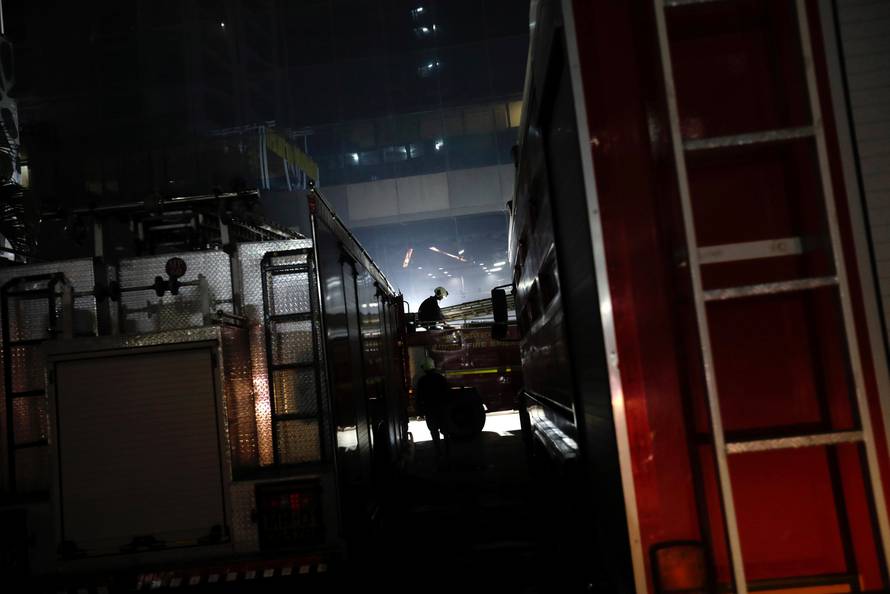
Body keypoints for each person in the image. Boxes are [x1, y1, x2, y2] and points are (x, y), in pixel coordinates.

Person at [415, 357, 451, 458]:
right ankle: (448, 451)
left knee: (434, 431)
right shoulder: (441, 378)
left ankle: (438, 452)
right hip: (442, 409)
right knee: (445, 430)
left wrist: (419, 411)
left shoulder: (422, 381)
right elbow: (448, 394)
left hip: (430, 411)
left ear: (425, 369)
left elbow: (419, 398)